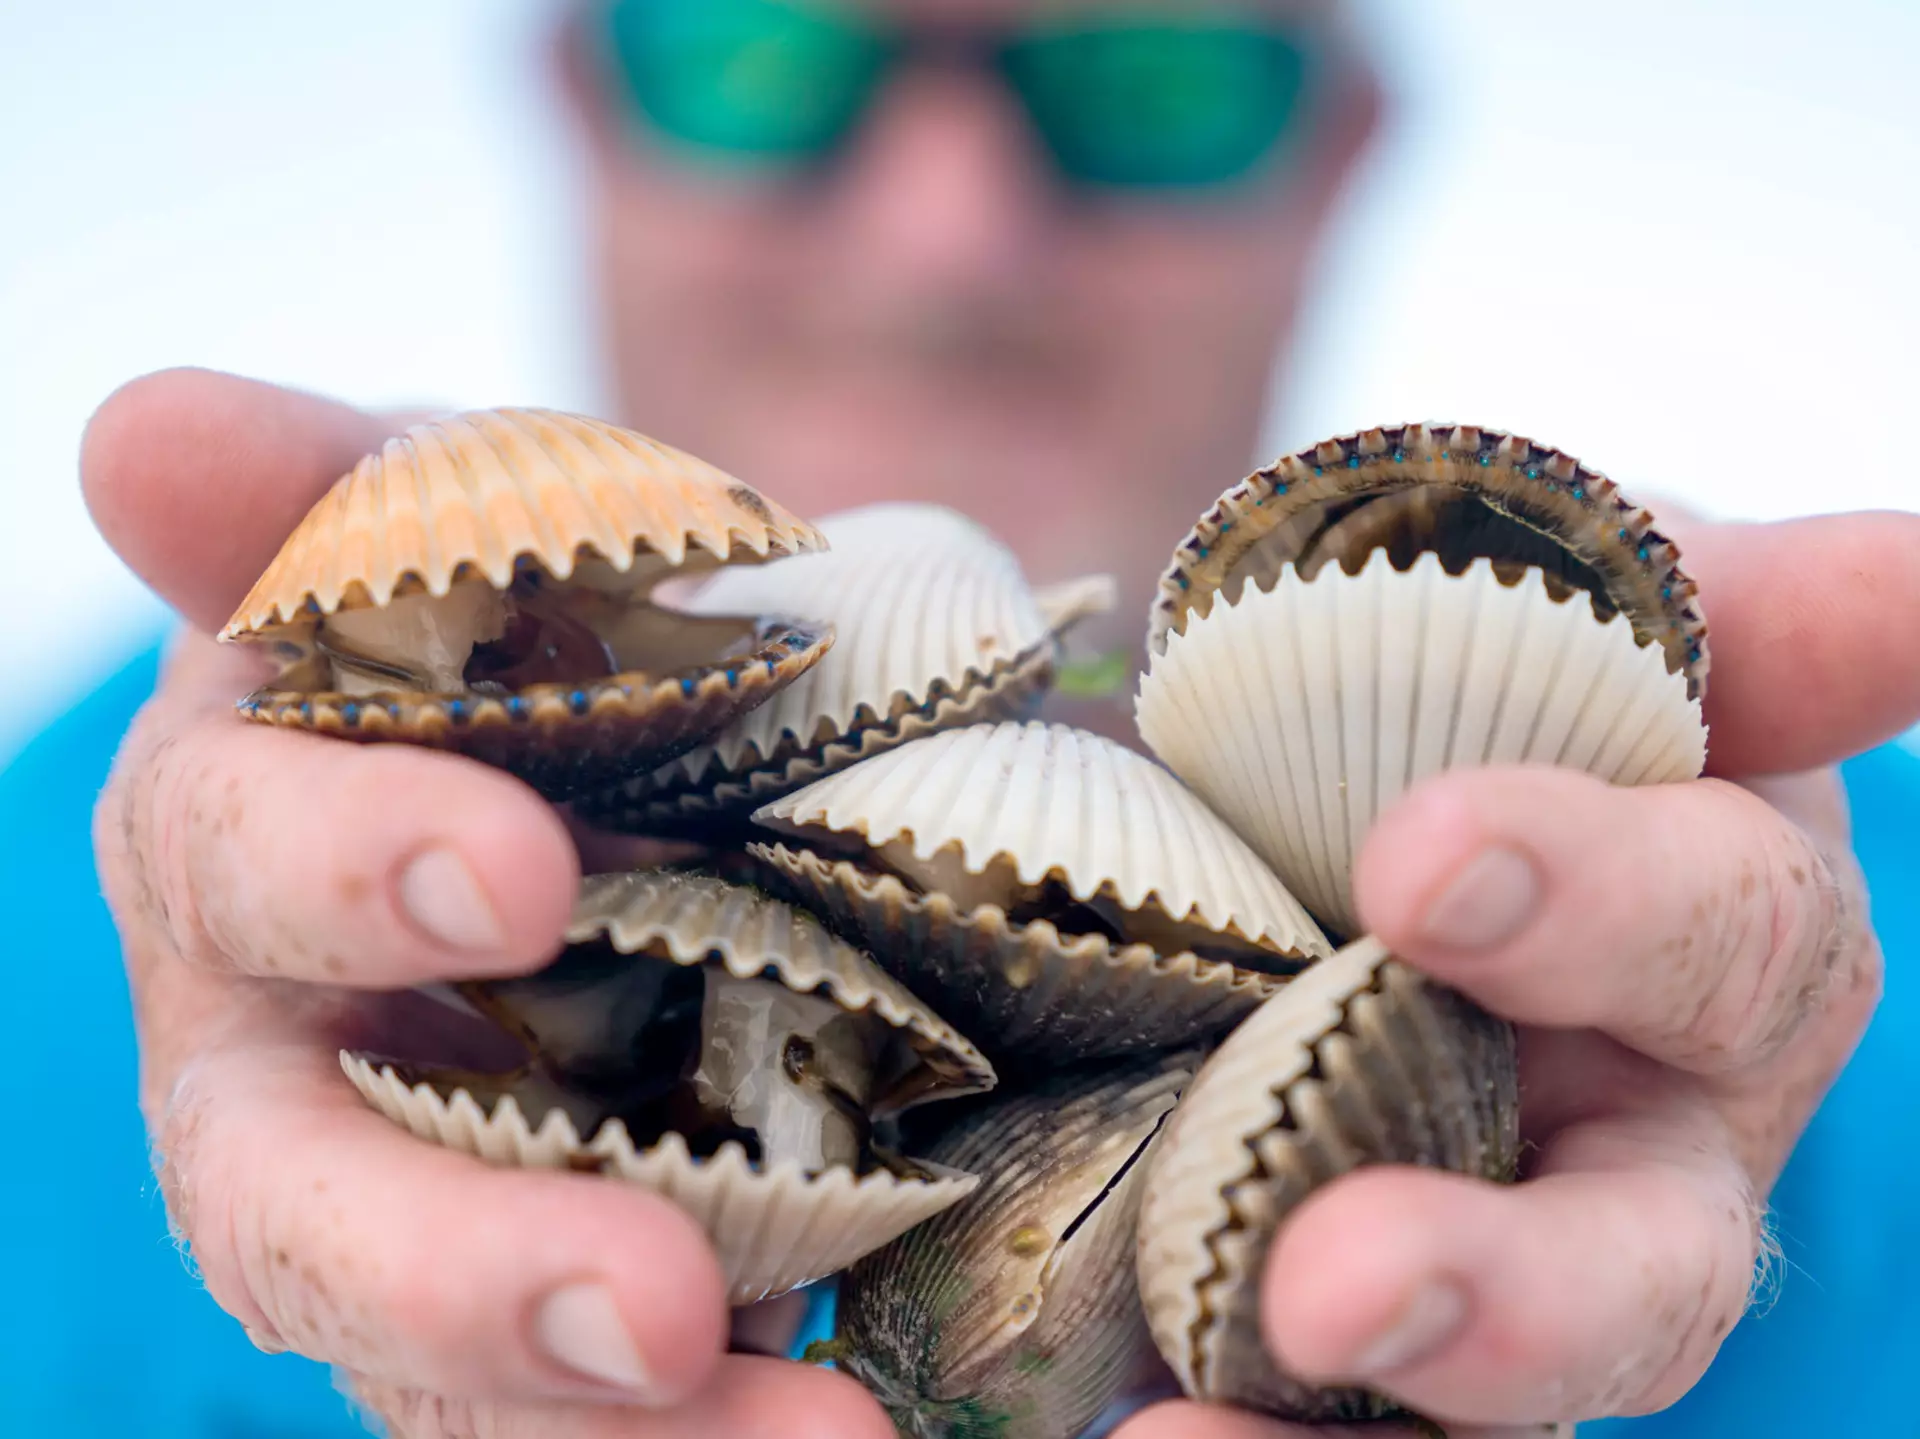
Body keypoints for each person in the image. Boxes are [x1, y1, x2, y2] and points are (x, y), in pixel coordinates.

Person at [5, 1, 1915, 1435]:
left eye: (1145, 80)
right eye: (757, 54)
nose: (944, 239)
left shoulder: (1835, 922)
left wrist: (1752, 1161)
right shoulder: (63, 875)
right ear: (579, 92)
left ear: (1336, 151)